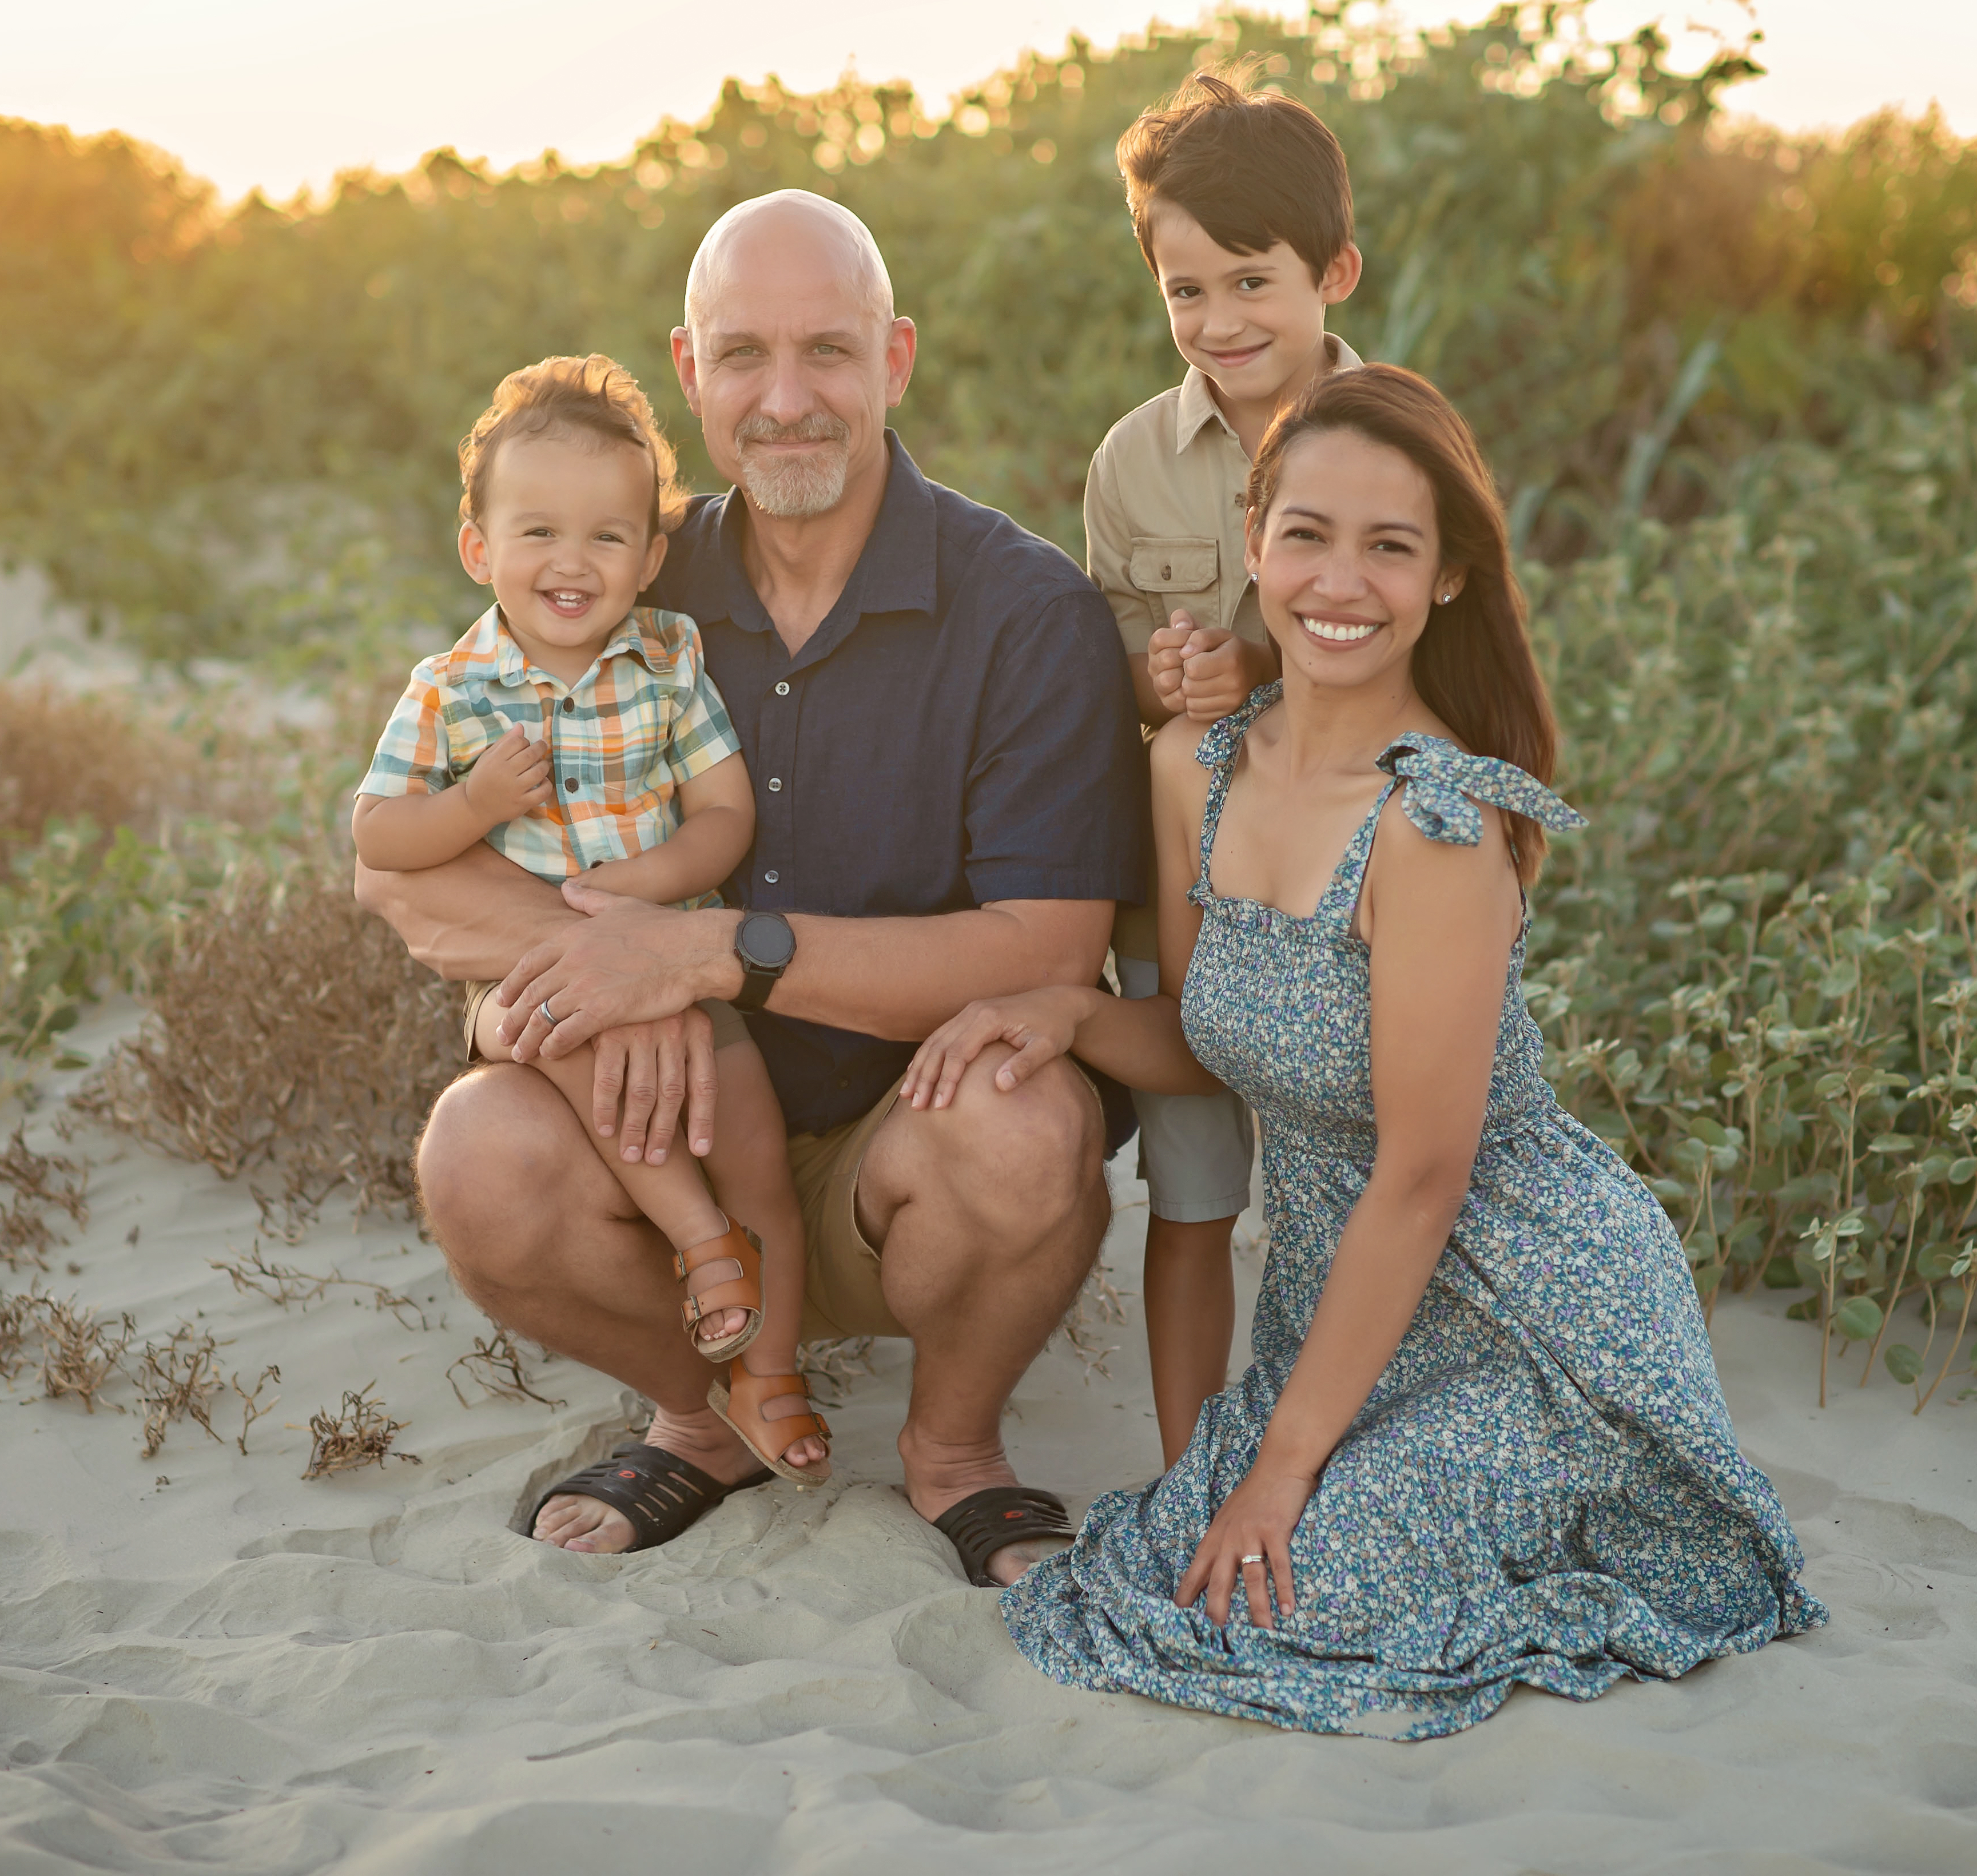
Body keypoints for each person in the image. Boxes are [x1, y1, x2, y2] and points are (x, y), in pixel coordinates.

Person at [900, 364, 1826, 1738]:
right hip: (1345, 1306)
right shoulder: (1193, 767)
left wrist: (1280, 1470)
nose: (1342, 580)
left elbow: (1421, 1175)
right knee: (1178, 1564)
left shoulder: (1437, 824)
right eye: (1309, 534)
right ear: (1257, 543)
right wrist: (1071, 1014)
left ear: (1448, 576)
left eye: (1391, 545)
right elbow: (1214, 1039)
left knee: (1291, 1581)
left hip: (1531, 1306)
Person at [355, 191, 1148, 1588]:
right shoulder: (611, 568)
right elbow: (399, 873)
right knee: (476, 1151)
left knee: (1029, 1125)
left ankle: (954, 1448)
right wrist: (621, 969)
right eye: (744, 357)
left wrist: (717, 952)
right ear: (689, 369)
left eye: (828, 353)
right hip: (658, 1141)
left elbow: (1047, 946)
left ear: (895, 360)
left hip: (907, 1151)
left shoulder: (1025, 615)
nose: (788, 401)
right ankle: (704, 1411)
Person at [352, 354, 827, 1488]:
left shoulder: (669, 660)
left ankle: (770, 1372)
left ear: (651, 557)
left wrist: (640, 898)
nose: (571, 562)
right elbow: (376, 833)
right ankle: (702, 1245)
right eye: (537, 533)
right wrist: (472, 805)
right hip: (543, 986)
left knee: (752, 1150)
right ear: (479, 547)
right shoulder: (452, 689)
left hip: (676, 963)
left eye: (608, 537)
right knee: (604, 1082)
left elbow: (722, 816)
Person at [1084, 73, 1366, 1465]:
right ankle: (1193, 1470)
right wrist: (1171, 676)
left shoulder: (1402, 442)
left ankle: (1343, 1453)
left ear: (1333, 272)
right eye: (1184, 290)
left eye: (1251, 280)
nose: (1219, 322)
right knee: (1191, 1197)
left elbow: (1449, 669)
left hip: (1352, 893)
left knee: (1353, 1195)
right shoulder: (1132, 463)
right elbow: (1124, 674)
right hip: (1182, 894)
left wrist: (1263, 667)